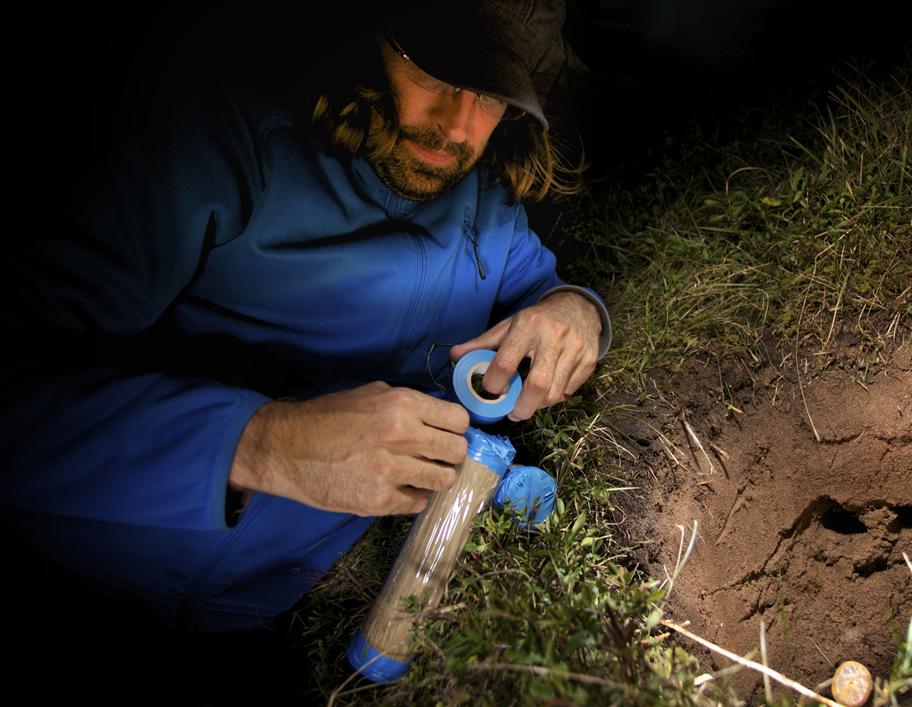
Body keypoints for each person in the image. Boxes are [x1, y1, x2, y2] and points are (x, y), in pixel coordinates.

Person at [1, 0, 609, 700]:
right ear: (375, 34)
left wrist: (575, 310)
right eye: (436, 72)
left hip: (351, 588)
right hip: (145, 612)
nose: (457, 125)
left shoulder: (481, 193)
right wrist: (261, 444)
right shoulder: (215, 151)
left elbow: (539, 282)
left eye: (493, 95)